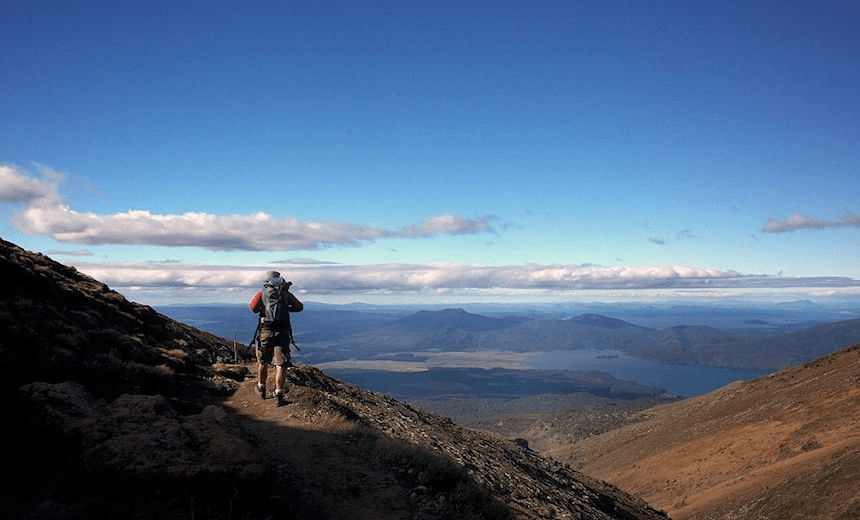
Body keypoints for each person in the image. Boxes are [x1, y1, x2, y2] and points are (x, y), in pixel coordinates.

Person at [249, 271, 303, 406]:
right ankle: (279, 394)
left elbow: (252, 308)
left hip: (266, 331)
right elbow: (299, 307)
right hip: (283, 332)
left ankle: (261, 388)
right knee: (281, 364)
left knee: (263, 361)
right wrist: (286, 308)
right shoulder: (286, 294)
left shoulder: (261, 293)